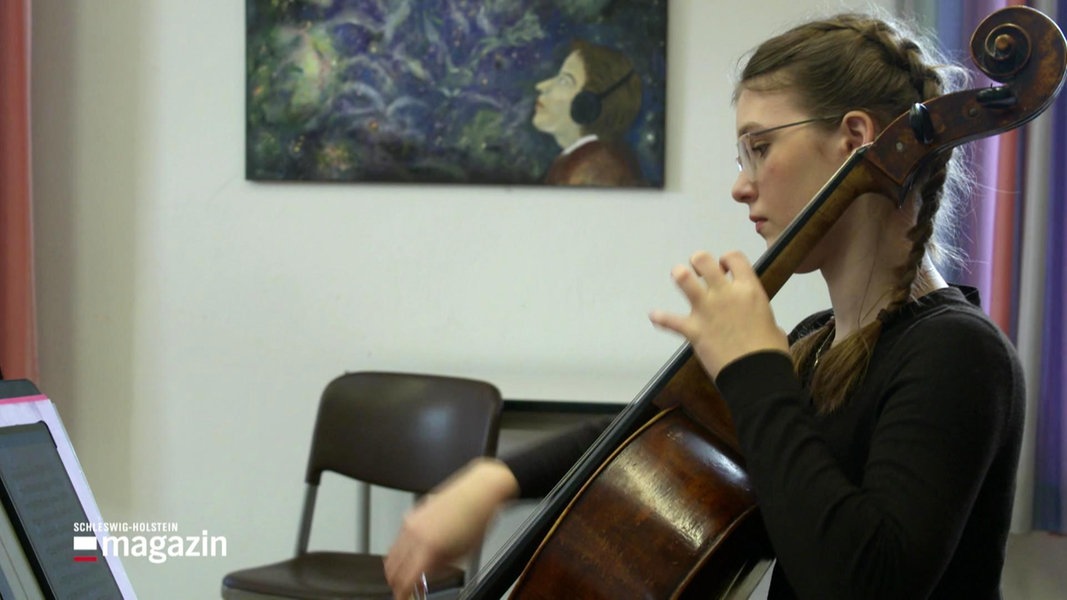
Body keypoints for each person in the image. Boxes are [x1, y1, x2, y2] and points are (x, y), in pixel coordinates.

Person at [385, 11, 1024, 599]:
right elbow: (662, 432)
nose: (741, 185)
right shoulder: (816, 343)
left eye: (761, 146)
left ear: (856, 138)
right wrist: (495, 480)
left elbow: (864, 581)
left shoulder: (956, 352)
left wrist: (754, 369)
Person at [531, 40, 645, 186]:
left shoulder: (592, 172)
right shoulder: (580, 162)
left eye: (564, 82)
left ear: (587, 106)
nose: (541, 86)